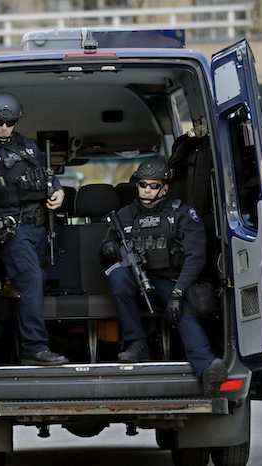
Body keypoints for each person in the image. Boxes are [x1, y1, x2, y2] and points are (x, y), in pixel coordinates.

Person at [100, 158, 227, 395]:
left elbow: (196, 257)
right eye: (142, 184)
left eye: (153, 185)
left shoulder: (183, 214)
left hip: (174, 281)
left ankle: (207, 369)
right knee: (117, 277)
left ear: (165, 187)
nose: (147, 190)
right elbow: (108, 246)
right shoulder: (124, 216)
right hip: (138, 281)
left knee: (184, 313)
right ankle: (137, 342)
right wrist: (107, 246)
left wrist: (178, 293)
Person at [0, 92, 68, 366]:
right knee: (32, 279)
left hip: (37, 226)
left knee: (40, 281)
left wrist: (58, 192)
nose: (4, 127)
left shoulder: (26, 145)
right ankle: (34, 348)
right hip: (10, 229)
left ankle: (43, 343)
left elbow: (45, 176)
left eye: (10, 122)